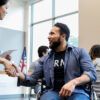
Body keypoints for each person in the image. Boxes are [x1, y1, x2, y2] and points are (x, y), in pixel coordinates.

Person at [0, 22, 97, 100]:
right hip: (53, 92)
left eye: (52, 33)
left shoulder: (80, 52)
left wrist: (73, 82)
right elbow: (32, 80)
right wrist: (18, 74)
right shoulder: (45, 59)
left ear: (63, 36)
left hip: (77, 91)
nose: (48, 37)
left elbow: (91, 73)